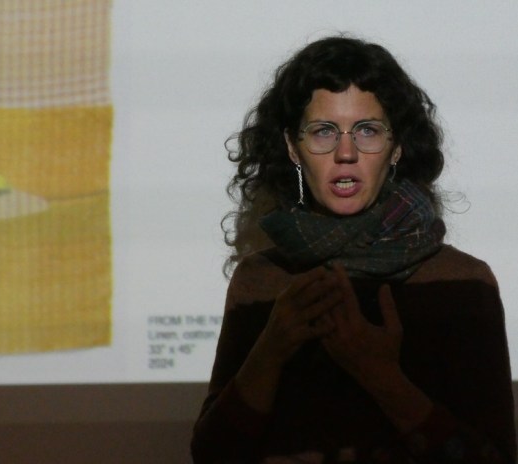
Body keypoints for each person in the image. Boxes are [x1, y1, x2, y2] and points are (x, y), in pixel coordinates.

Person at [191, 35, 516, 463]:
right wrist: (271, 350)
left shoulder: (461, 282)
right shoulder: (261, 280)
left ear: (397, 145)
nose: (346, 153)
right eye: (324, 131)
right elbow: (212, 455)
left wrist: (381, 376)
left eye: (367, 130)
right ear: (292, 147)